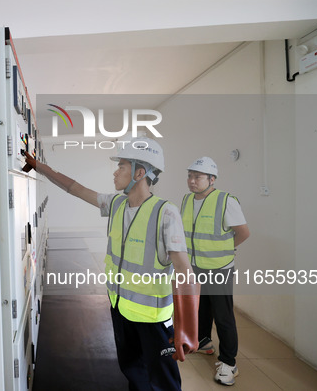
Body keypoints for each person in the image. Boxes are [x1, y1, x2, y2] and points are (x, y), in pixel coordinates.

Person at [24, 137, 200, 391]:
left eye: (122, 166)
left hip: (153, 319)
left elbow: (185, 272)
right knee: (132, 371)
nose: (115, 172)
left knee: (163, 380)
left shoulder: (165, 212)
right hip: (120, 309)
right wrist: (42, 168)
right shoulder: (116, 204)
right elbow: (75, 188)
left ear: (140, 173)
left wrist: (187, 328)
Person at [181, 156, 250, 386]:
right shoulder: (186, 200)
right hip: (195, 266)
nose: (192, 181)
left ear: (211, 179)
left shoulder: (225, 200)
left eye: (197, 177)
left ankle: (229, 363)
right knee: (201, 308)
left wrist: (225, 251)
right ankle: (203, 342)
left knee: (223, 316)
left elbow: (243, 232)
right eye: (190, 176)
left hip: (219, 268)